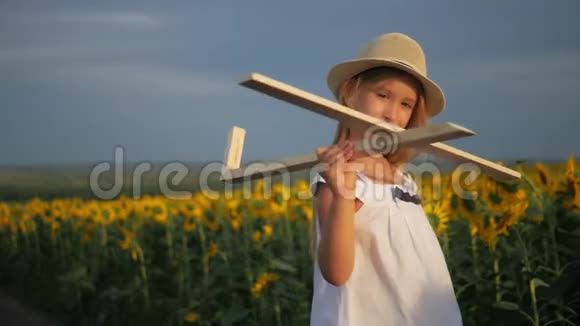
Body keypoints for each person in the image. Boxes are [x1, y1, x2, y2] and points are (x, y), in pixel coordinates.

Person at [308, 32, 463, 325]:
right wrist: (343, 195)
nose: (392, 114)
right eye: (383, 95)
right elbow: (336, 273)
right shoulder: (338, 178)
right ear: (351, 91)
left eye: (406, 105)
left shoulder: (403, 180)